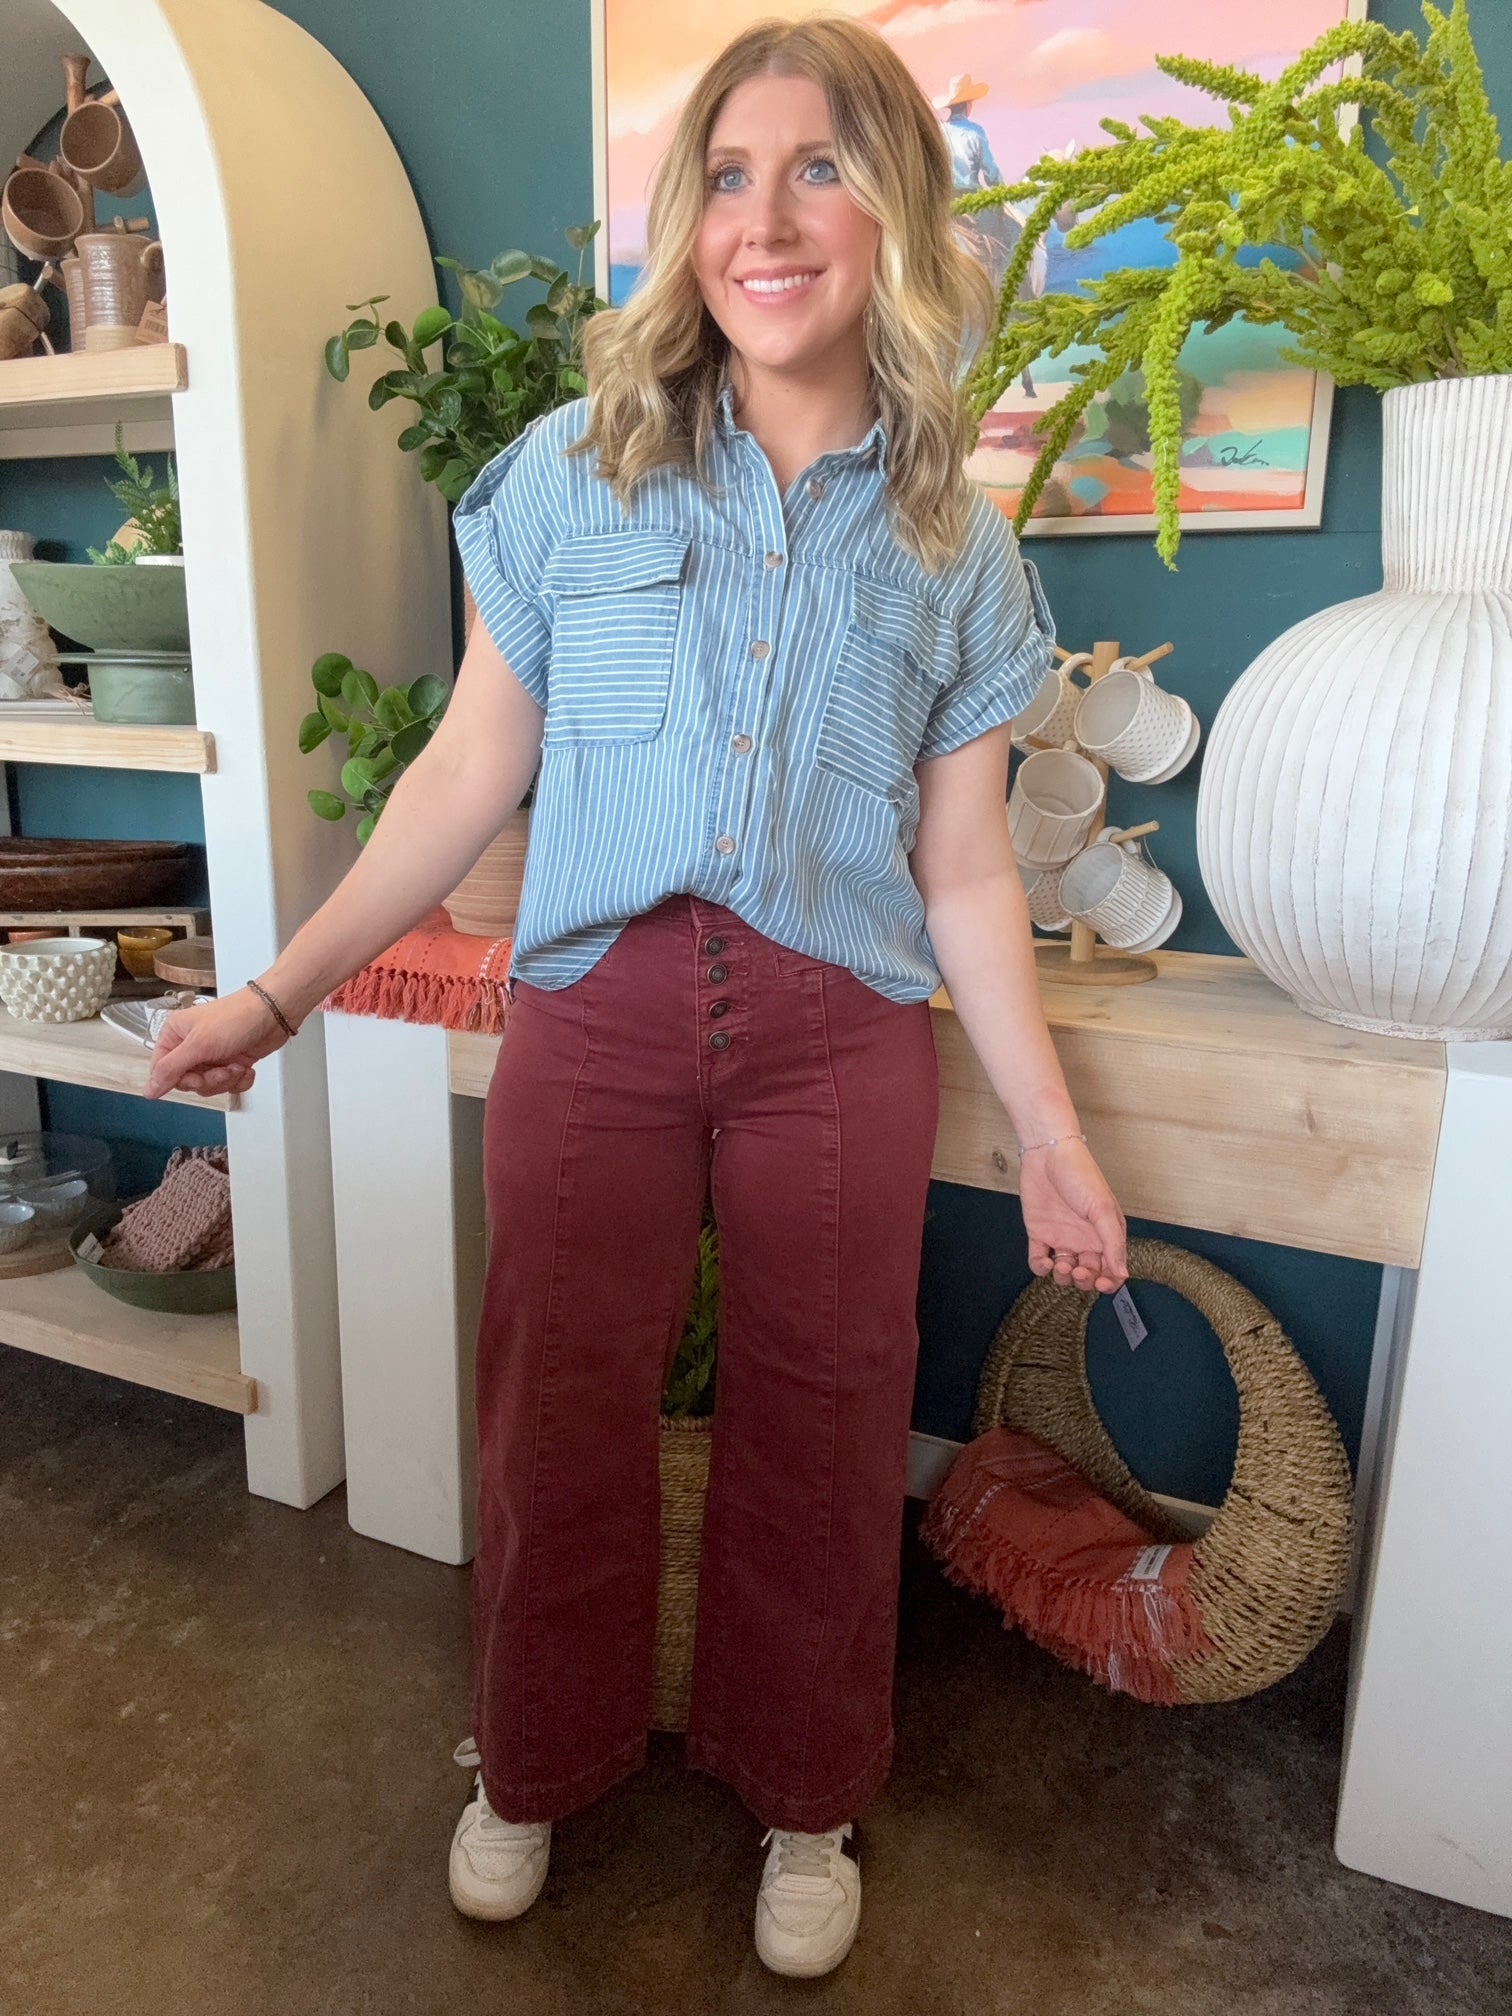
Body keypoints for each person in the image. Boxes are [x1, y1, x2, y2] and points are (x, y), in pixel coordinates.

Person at [145, 15, 1127, 1981]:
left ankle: (806, 1793)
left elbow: (963, 870)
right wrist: (282, 990)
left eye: (822, 168)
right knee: (557, 1407)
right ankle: (530, 1762)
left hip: (838, 1032)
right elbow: (465, 773)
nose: (770, 220)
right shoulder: (571, 478)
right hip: (597, 1007)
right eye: (731, 177)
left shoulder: (955, 541)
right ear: (688, 226)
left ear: (895, 212)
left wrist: (1050, 1133)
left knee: (830, 1419)